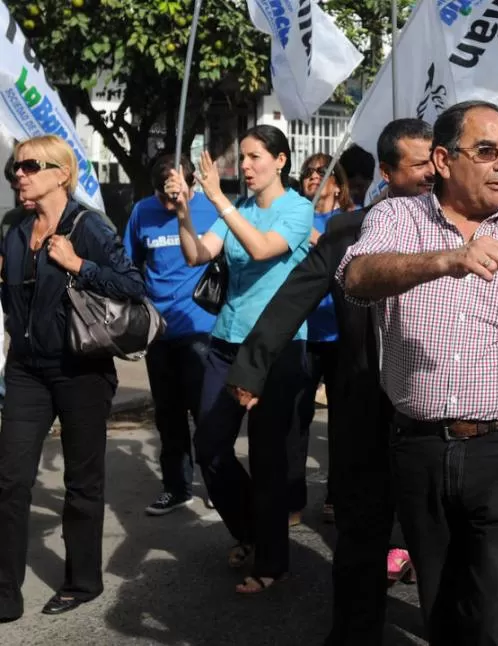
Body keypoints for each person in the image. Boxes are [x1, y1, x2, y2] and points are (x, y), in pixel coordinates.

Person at [338, 101, 498, 645]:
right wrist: (448, 258)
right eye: (486, 152)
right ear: (443, 159)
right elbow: (357, 276)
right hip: (419, 447)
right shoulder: (396, 216)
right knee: (445, 611)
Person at [226, 117, 434, 646]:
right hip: (363, 403)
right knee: (361, 535)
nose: (434, 173)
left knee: (434, 537)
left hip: (433, 410)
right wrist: (251, 367)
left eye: (439, 161)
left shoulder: (458, 231)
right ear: (386, 172)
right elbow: (293, 296)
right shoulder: (347, 231)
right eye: (420, 164)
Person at [0, 135, 145, 622]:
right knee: (10, 478)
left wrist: (78, 265)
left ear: (61, 173)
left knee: (83, 480)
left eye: (29, 166)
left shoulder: (89, 226)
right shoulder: (14, 228)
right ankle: (5, 592)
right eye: (14, 168)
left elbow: (132, 285)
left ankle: (82, 580)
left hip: (80, 369)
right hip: (25, 370)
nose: (18, 174)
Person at [172, 124, 312, 595]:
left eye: (255, 157)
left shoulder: (297, 209)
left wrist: (219, 201)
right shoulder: (240, 208)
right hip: (225, 343)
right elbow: (197, 254)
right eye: (243, 158)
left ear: (281, 161)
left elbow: (260, 247)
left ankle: (273, 562)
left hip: (276, 348)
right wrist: (184, 214)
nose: (246, 166)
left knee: (268, 456)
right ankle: (250, 529)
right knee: (210, 448)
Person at [123, 153, 219, 515]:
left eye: (176, 193)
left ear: (191, 183)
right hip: (158, 330)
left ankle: (217, 484)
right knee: (168, 415)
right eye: (163, 196)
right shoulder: (141, 212)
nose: (169, 203)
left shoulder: (211, 209)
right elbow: (129, 263)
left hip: (201, 328)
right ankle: (177, 487)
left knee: (206, 413)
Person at [290, 153, 355, 527]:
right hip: (302, 333)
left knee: (343, 423)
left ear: (337, 182)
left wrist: (316, 238)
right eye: (308, 173)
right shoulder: (295, 216)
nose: (314, 178)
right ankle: (293, 500)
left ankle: (337, 496)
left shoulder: (347, 220)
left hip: (340, 333)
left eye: (322, 172)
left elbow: (347, 264)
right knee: (296, 420)